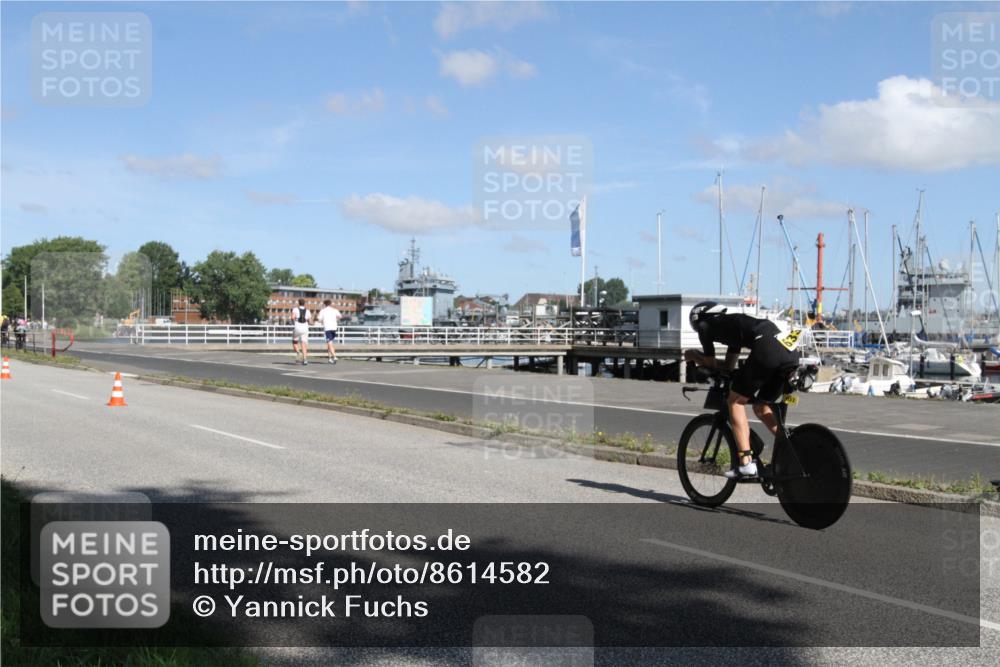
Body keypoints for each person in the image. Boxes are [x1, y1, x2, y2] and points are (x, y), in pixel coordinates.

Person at [684, 301, 801, 478]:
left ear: (697, 318)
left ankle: (746, 463)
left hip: (767, 349)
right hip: (788, 351)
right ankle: (791, 446)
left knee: (735, 401)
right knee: (761, 406)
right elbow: (728, 367)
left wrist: (692, 354)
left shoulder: (705, 325)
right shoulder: (733, 325)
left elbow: (710, 363)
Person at [315, 299, 341, 364]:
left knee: (329, 343)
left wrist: (321, 321)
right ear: (330, 304)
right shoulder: (335, 310)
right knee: (330, 343)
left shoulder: (323, 311)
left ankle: (334, 356)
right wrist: (335, 320)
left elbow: (319, 319)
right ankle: (330, 358)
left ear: (324, 304)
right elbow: (340, 316)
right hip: (334, 327)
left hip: (327, 328)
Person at [290, 298, 312, 364]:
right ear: (304, 303)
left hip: (297, 327)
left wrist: (293, 320)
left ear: (298, 303)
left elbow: (292, 317)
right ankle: (305, 359)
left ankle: (298, 352)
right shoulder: (307, 311)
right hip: (305, 328)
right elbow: (310, 321)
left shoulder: (295, 309)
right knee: (303, 344)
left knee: (295, 342)